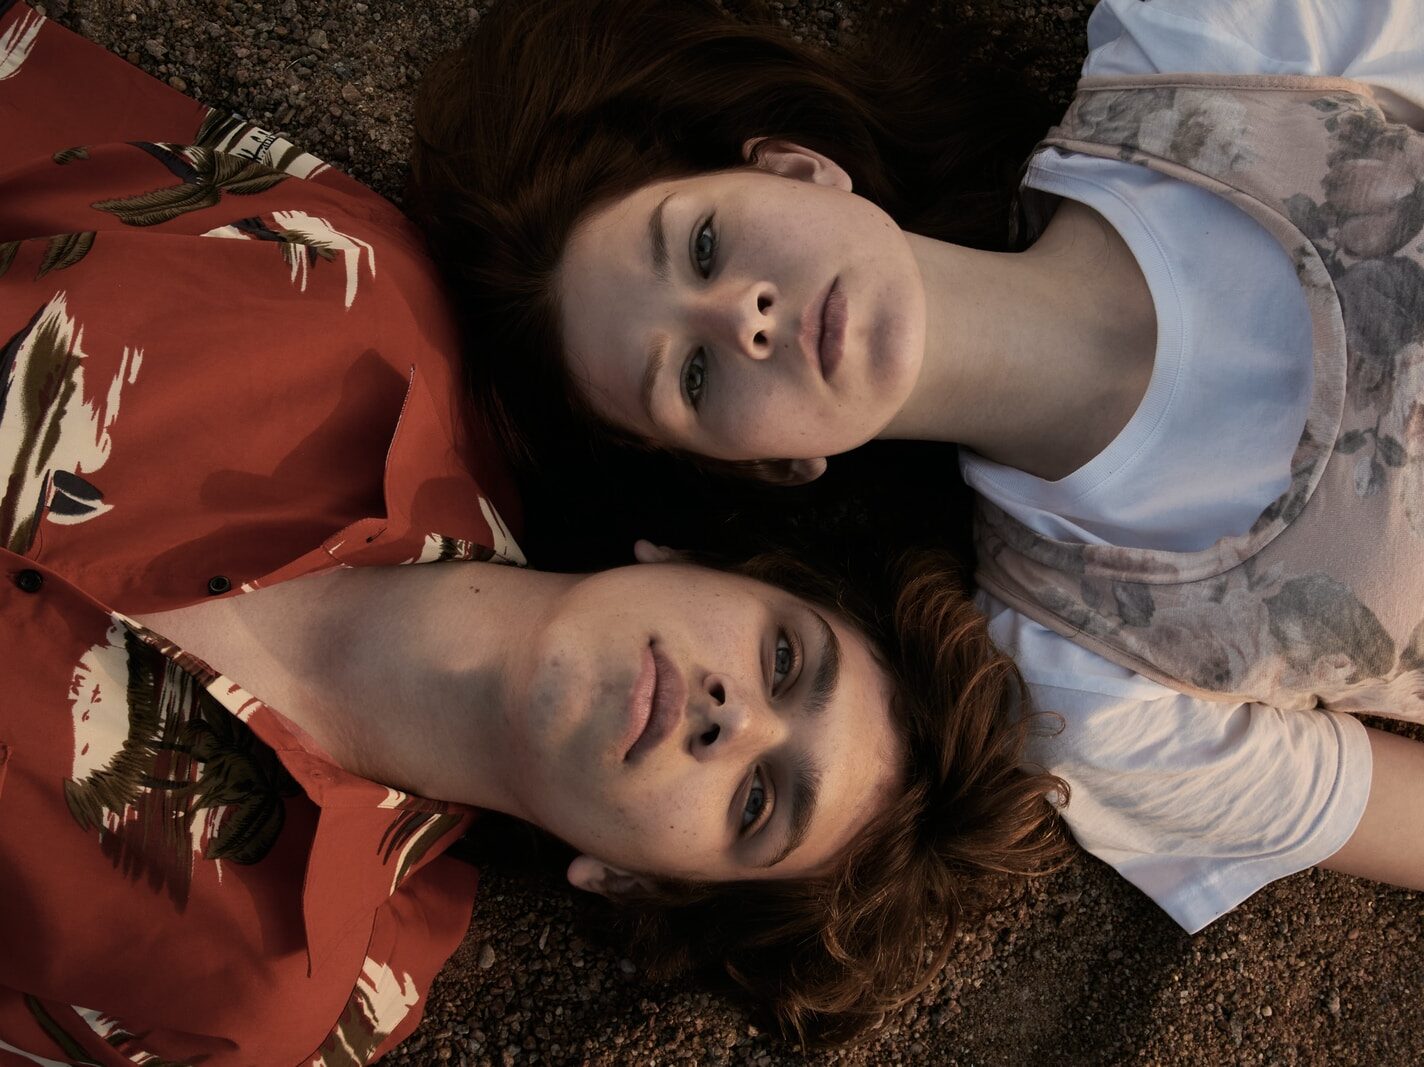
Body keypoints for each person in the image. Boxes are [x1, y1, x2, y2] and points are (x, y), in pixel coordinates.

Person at [0, 2, 1065, 1061]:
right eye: (784, 659)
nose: (730, 717)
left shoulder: (269, 998)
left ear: (637, 881)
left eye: (755, 799)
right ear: (699, 561)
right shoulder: (347, 287)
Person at [408, 0, 1424, 937]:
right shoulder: (1086, 678)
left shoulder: (1198, 47)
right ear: (759, 464)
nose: (739, 314)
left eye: (703, 245)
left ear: (795, 166)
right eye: (693, 373)